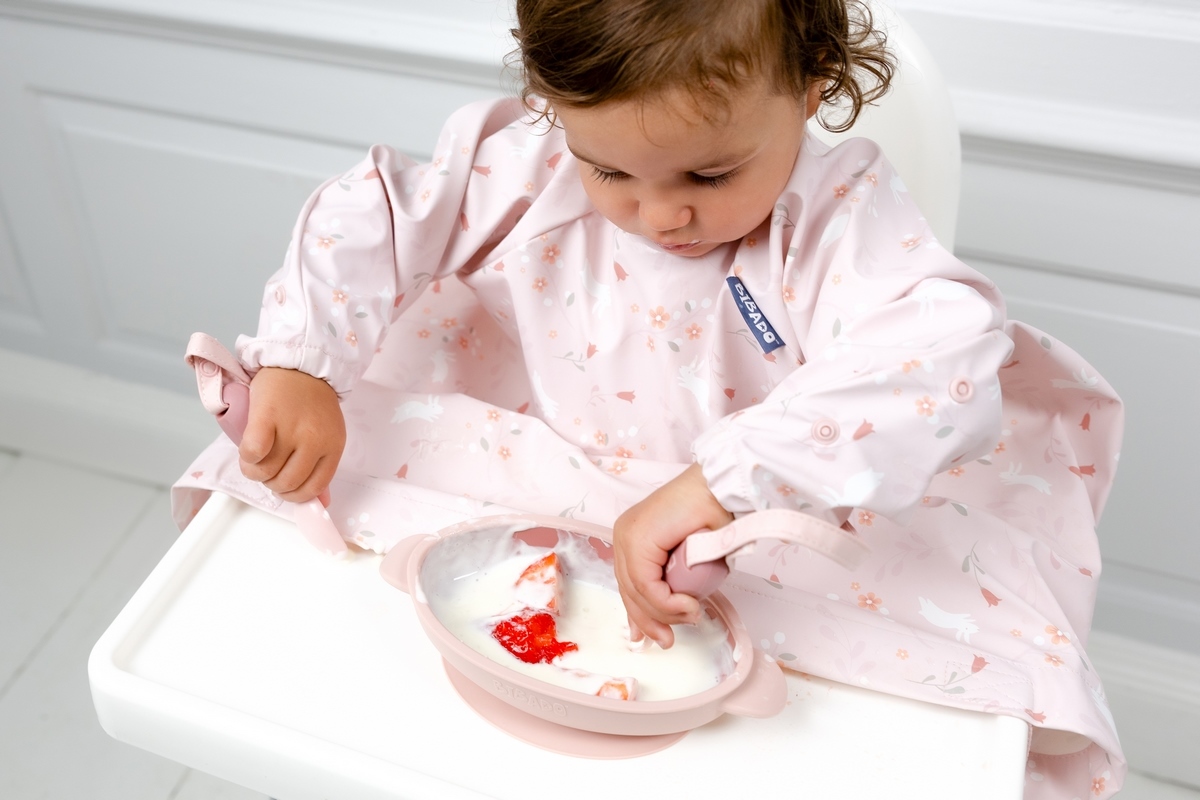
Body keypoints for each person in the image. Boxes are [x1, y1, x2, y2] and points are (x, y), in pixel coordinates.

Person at [174, 1, 1126, 796]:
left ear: (812, 85)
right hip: (552, 474)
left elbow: (941, 354)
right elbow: (379, 214)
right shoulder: (530, 168)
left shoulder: (839, 219)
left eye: (709, 174)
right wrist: (304, 359)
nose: (661, 214)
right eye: (611, 171)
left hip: (752, 517)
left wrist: (721, 486)